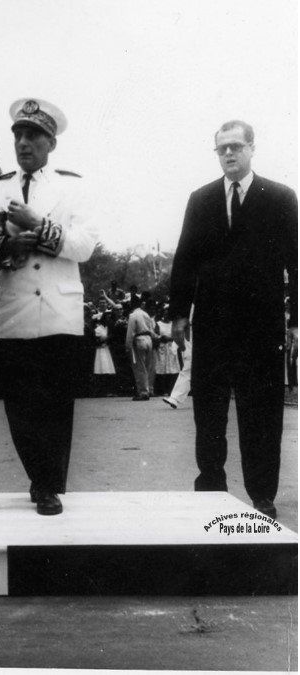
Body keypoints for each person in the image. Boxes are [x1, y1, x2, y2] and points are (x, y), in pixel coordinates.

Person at [0, 97, 98, 515]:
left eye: (34, 136)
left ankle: (48, 484)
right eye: (19, 136)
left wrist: (38, 226)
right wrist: (7, 245)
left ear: (51, 144)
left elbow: (83, 247)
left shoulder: (74, 187)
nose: (24, 143)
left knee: (56, 403)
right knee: (21, 405)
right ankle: (38, 476)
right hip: (15, 310)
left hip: (61, 311)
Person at [170, 120, 297, 520]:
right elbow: (185, 258)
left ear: (252, 148)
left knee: (261, 413)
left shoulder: (280, 197)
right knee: (208, 410)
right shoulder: (201, 199)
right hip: (212, 322)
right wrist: (177, 314)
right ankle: (211, 487)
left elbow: (296, 260)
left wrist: (294, 320)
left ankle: (262, 496)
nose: (228, 154)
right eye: (221, 148)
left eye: (236, 147)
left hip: (262, 325)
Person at [125, 293, 157, 401]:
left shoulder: (133, 315)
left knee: (140, 367)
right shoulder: (145, 314)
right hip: (149, 339)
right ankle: (148, 389)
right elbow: (151, 329)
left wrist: (128, 346)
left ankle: (143, 392)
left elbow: (130, 332)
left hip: (139, 339)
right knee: (147, 367)